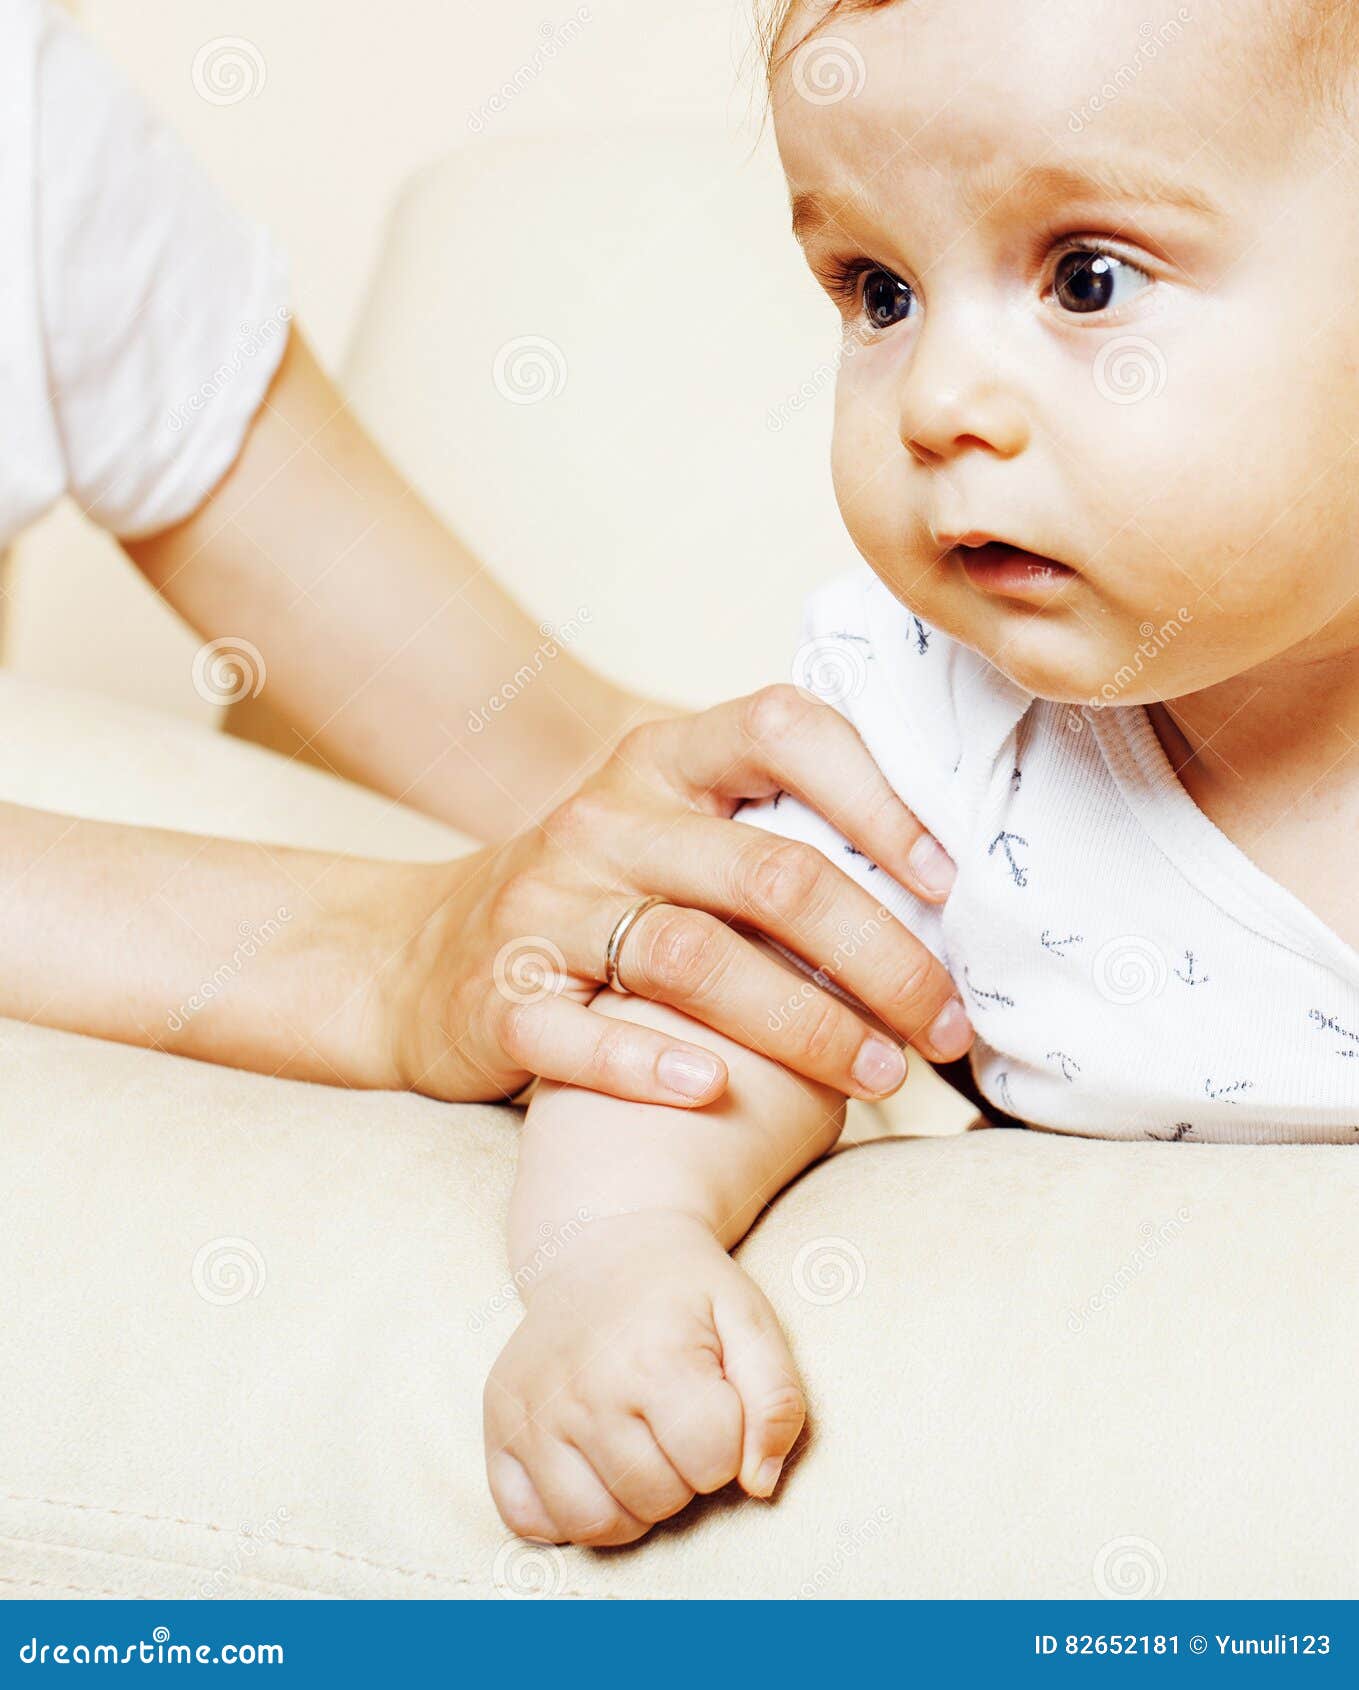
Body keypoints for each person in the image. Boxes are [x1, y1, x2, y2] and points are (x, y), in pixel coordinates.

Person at [483, 0, 1359, 1546]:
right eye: (877, 289)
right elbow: (711, 1028)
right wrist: (617, 1257)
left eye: (1084, 277)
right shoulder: (917, 729)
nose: (938, 399)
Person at [0, 0, 977, 1109]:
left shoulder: (33, 130)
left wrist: (902, 867)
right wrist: (388, 959)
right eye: (879, 297)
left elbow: (540, 749)